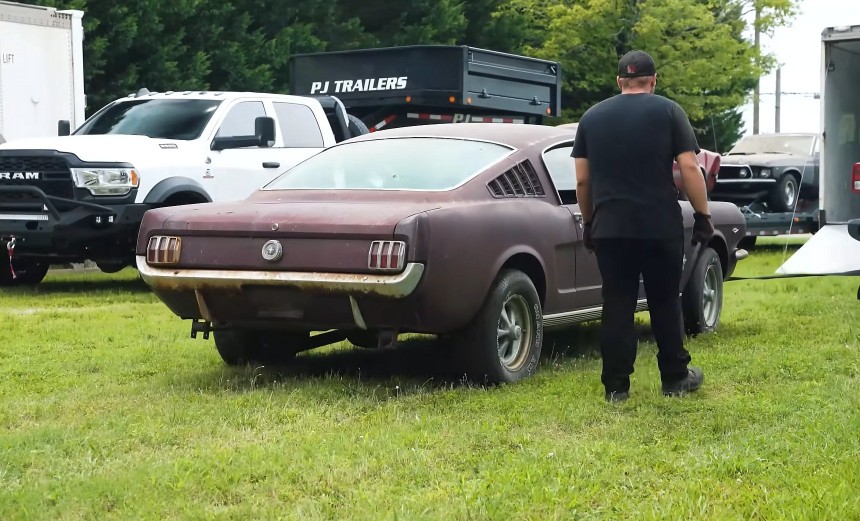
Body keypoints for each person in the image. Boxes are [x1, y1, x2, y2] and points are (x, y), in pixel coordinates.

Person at [571, 50, 714, 403]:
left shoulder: (591, 117)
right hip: (659, 225)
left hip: (611, 227)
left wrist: (589, 222)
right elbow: (690, 167)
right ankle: (675, 377)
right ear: (653, 80)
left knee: (617, 302)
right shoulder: (668, 111)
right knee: (665, 300)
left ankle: (616, 387)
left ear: (619, 81)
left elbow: (583, 182)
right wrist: (703, 215)